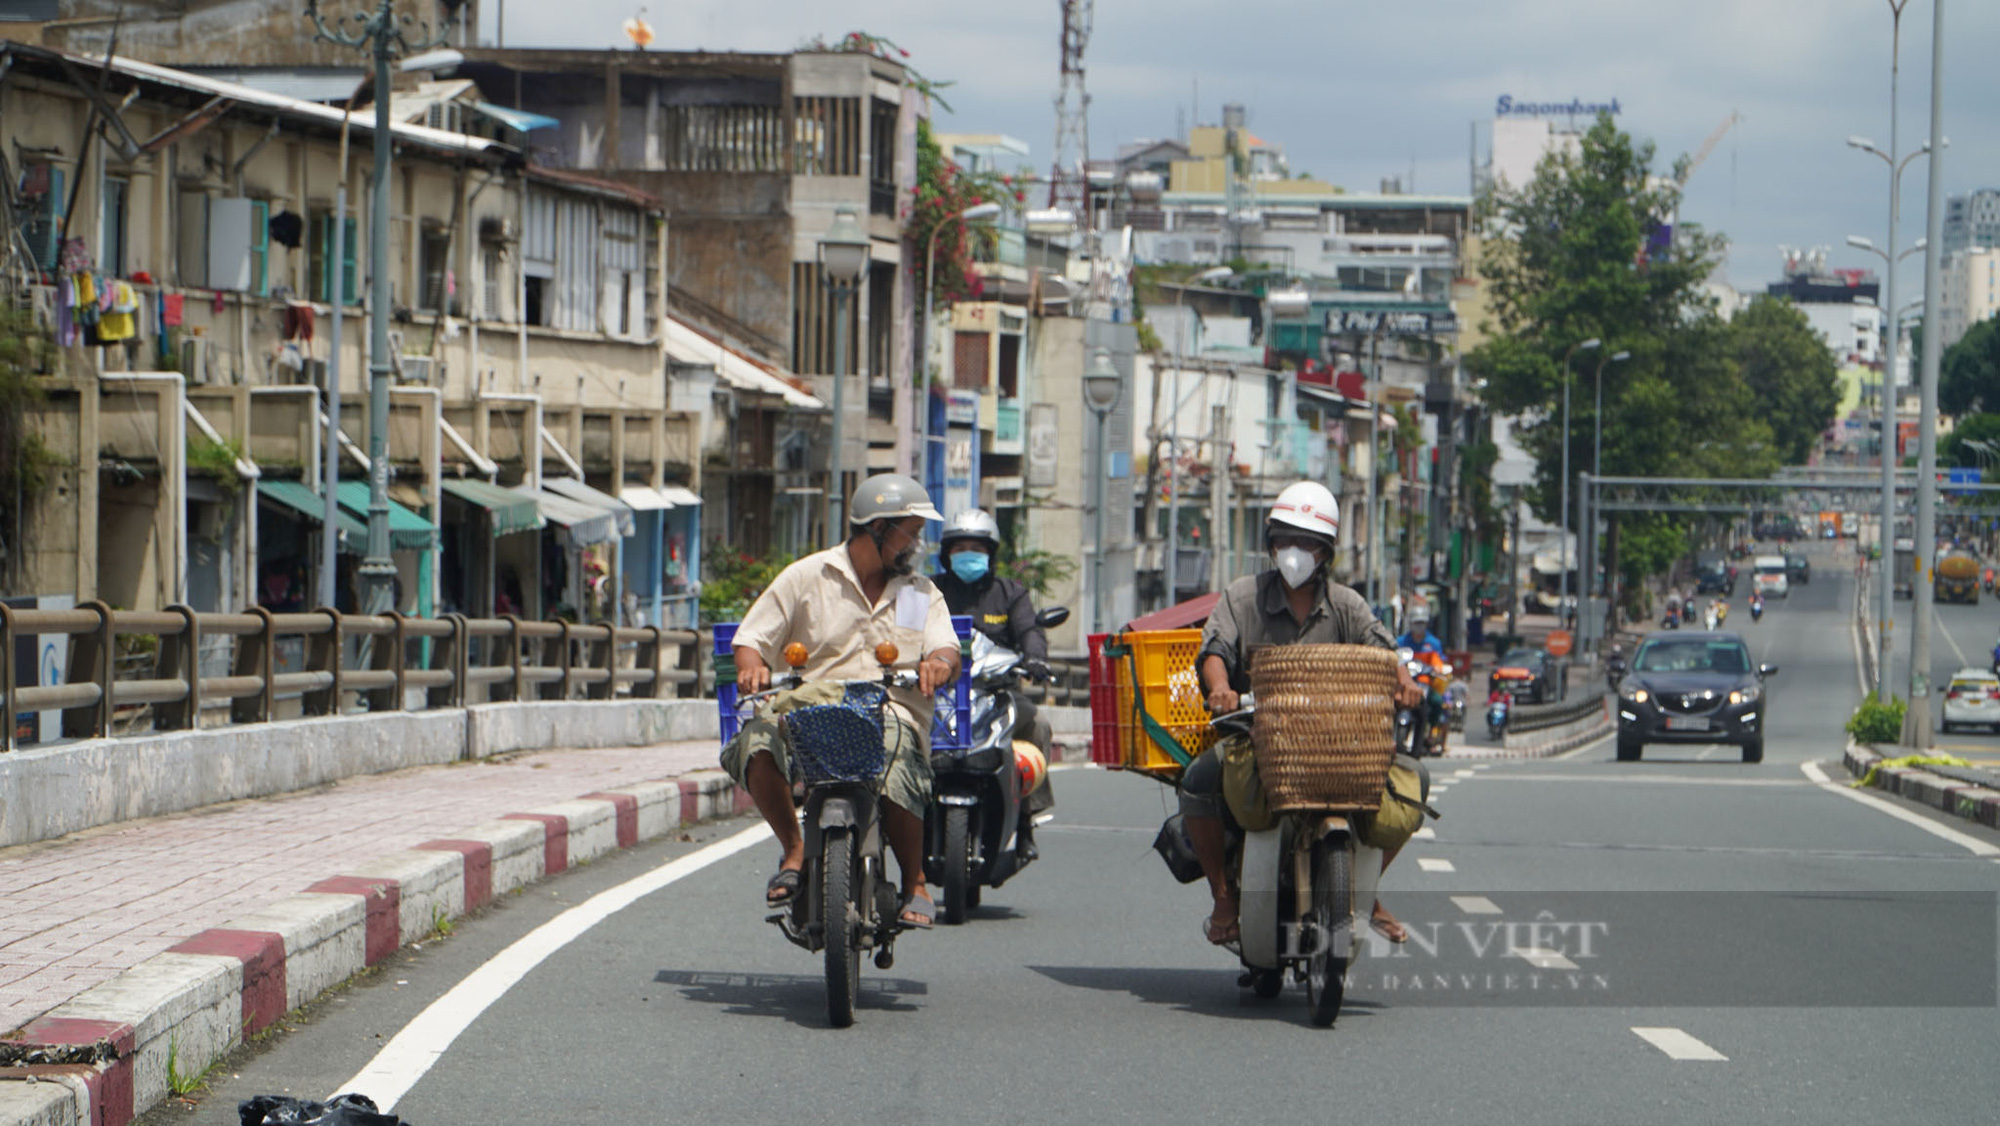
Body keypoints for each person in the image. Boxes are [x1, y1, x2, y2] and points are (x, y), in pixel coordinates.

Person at [1181, 480, 1424, 947]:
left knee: (1415, 784)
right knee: (1197, 782)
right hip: (1259, 736)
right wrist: (1221, 689)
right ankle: (1224, 896)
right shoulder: (1242, 596)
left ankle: (1365, 892)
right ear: (1271, 544)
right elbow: (1215, 648)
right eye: (1285, 539)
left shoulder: (1348, 605)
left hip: (1338, 742)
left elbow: (1383, 651)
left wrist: (1405, 682)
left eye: (1307, 542)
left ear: (1326, 552)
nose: (1295, 551)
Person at [721, 474, 961, 930]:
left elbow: (945, 646)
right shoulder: (807, 576)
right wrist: (751, 666)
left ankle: (916, 881)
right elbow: (752, 638)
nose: (917, 542)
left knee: (899, 758)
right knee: (756, 741)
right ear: (878, 528)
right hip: (808, 706)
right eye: (911, 530)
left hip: (889, 706)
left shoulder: (919, 591)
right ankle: (794, 849)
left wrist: (939, 663)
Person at [932, 507, 1056, 860]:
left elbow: (1030, 631)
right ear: (946, 554)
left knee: (1038, 726)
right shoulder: (930, 590)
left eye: (977, 548)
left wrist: (1035, 659)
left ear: (990, 553)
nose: (968, 555)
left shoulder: (1010, 593)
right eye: (960, 548)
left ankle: (1027, 817)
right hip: (938, 696)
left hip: (997, 694)